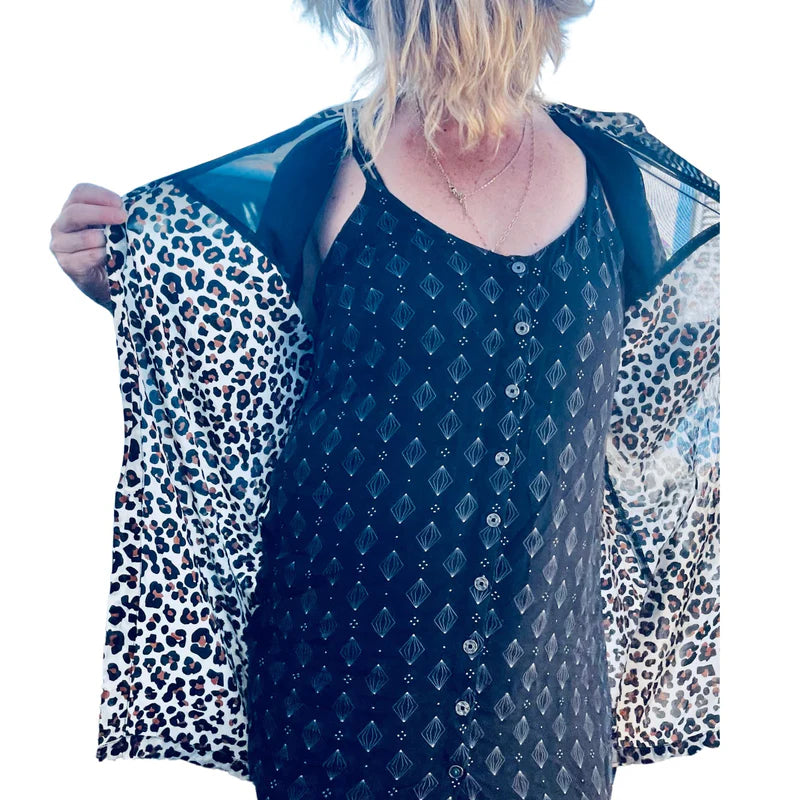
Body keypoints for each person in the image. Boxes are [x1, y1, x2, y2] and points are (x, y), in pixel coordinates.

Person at [49, 2, 720, 799]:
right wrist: (123, 278)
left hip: (544, 716)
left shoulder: (615, 179)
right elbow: (238, 381)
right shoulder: (322, 170)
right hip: (340, 710)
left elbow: (652, 424)